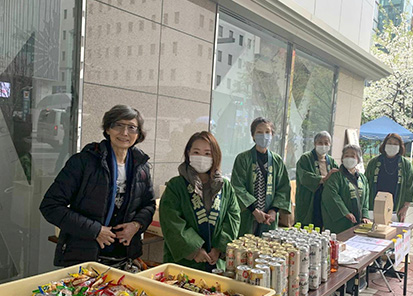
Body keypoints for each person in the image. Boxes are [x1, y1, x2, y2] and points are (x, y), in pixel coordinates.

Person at [40, 105, 156, 267]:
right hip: (84, 257)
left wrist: (136, 225)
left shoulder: (141, 166)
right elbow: (50, 206)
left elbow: (149, 205)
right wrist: (95, 230)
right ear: (108, 129)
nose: (124, 133)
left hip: (124, 257)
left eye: (131, 127)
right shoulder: (83, 162)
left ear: (138, 134)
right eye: (118, 125)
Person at [160, 131, 240, 271]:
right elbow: (171, 221)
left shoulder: (225, 187)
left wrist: (219, 248)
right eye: (196, 152)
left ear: (215, 156)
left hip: (215, 262)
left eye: (207, 153)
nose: (201, 157)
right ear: (188, 153)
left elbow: (233, 218)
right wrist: (194, 250)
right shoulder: (176, 186)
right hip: (184, 263)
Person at [231, 117, 291, 236]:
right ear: (253, 136)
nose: (264, 135)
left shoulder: (277, 161)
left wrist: (274, 211)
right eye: (259, 132)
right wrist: (254, 210)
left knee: (268, 249)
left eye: (267, 132)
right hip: (248, 215)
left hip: (269, 217)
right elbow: (237, 187)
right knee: (245, 250)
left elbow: (283, 188)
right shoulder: (243, 159)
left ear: (272, 135)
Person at [365, 133, 413, 222]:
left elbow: (410, 187)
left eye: (395, 144)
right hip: (374, 205)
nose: (392, 146)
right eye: (389, 143)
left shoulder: (406, 165)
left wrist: (405, 207)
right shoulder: (374, 162)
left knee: (393, 232)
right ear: (384, 145)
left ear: (400, 147)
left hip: (396, 206)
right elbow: (366, 184)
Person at [321, 144, 370, 234]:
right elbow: (331, 195)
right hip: (340, 221)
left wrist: (365, 216)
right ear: (342, 158)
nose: (349, 158)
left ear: (358, 159)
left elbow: (365, 200)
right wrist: (345, 212)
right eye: (346, 155)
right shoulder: (336, 176)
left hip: (358, 221)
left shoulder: (362, 178)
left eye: (352, 156)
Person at [295, 131, 339, 228]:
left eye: (326, 143)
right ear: (315, 144)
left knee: (321, 227)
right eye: (320, 142)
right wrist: (323, 179)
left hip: (324, 199)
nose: (323, 145)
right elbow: (304, 177)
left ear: (330, 145)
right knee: (306, 227)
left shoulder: (331, 161)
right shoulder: (305, 158)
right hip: (309, 198)